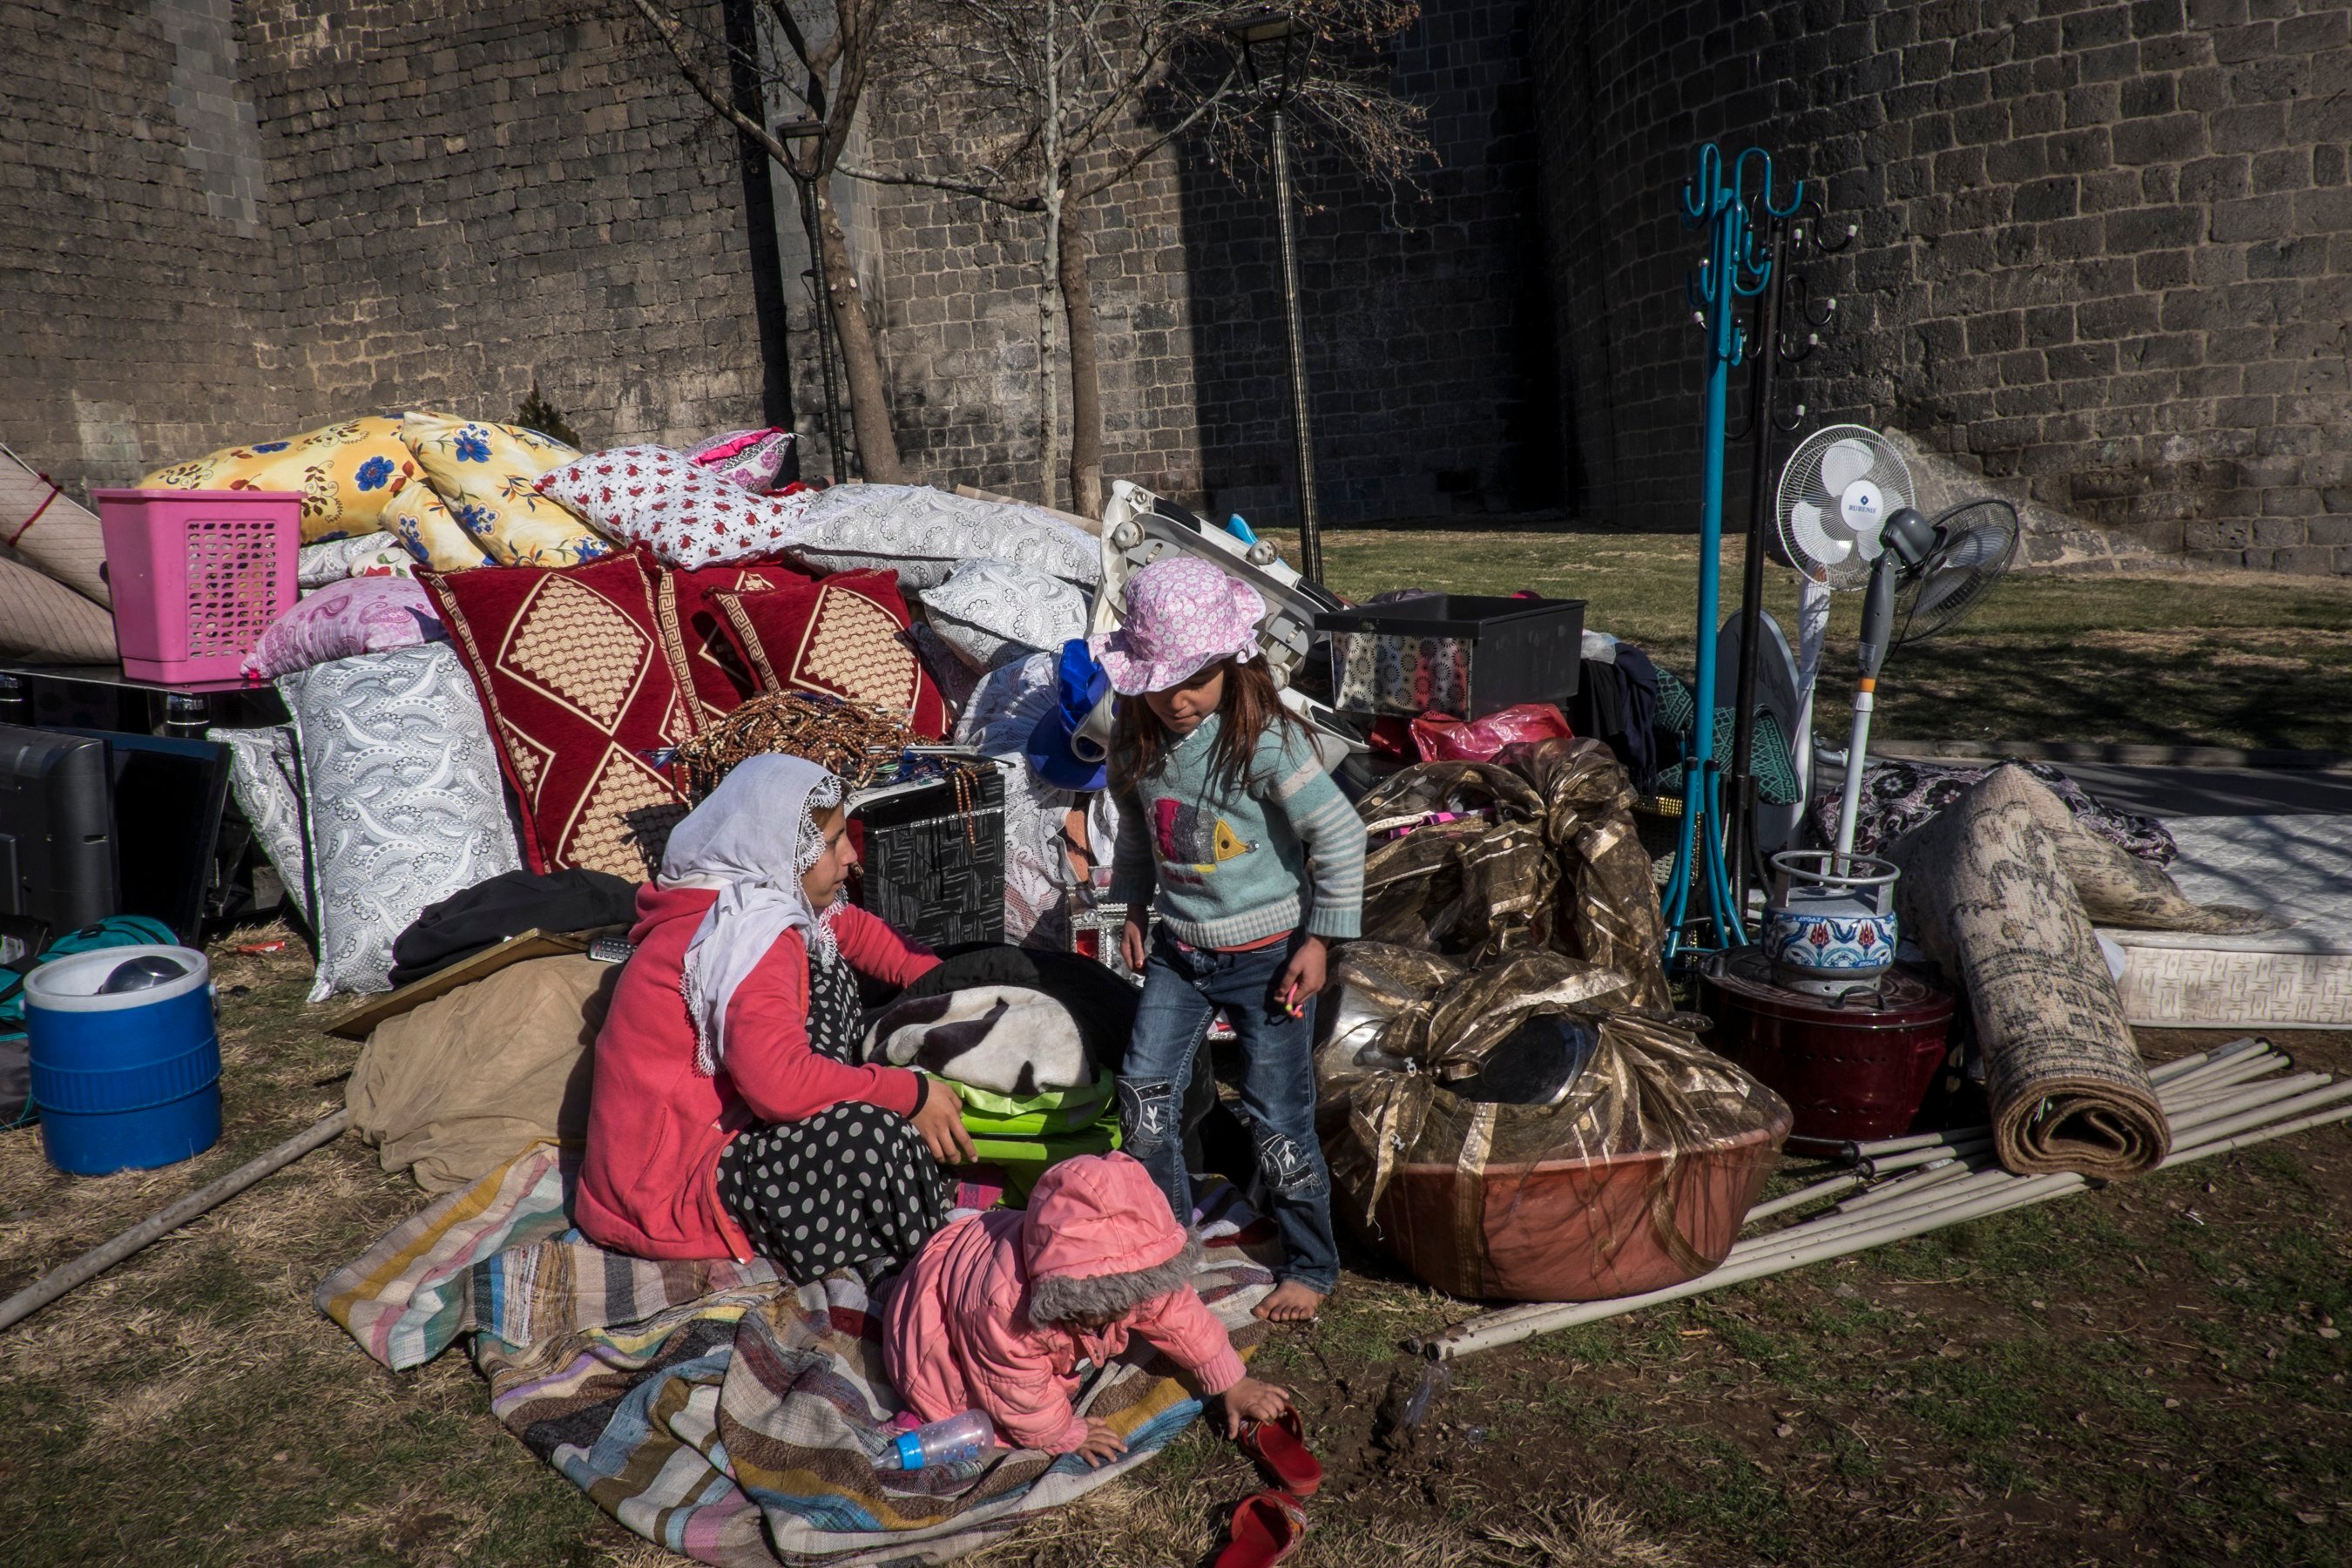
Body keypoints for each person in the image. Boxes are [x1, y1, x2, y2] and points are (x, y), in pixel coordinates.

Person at [577, 754, 977, 1280]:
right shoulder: (754, 935)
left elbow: (852, 930)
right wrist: (908, 1094)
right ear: (784, 854)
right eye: (832, 842)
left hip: (660, 1165)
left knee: (829, 958)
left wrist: (949, 993)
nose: (851, 857)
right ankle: (945, 1253)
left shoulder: (733, 895)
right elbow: (780, 1087)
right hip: (666, 1194)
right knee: (872, 1137)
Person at [1099, 557, 1364, 1323]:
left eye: (1198, 678)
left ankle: (1311, 1264)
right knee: (1144, 1095)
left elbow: (1340, 837)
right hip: (1180, 952)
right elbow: (1141, 841)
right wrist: (1132, 909)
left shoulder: (1263, 741)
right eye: (1163, 681)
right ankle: (1168, 1243)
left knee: (1275, 1113)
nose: (1179, 699)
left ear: (1230, 664)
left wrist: (1320, 942)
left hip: (1271, 958)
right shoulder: (1137, 736)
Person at [882, 1152, 1292, 1463]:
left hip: (993, 1278)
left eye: (1128, 1300)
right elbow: (1015, 1388)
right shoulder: (1005, 1312)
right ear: (1062, 1289)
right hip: (937, 1312)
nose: (1122, 1313)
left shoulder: (1133, 1268)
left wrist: (1230, 1381)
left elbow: (1177, 1310)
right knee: (959, 1399)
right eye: (1102, 1307)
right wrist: (1063, 1432)